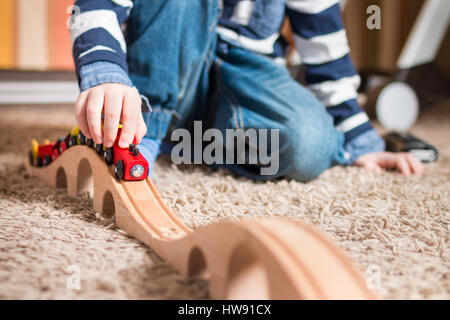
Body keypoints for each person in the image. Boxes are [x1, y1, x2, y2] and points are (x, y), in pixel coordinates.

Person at [70, 0, 424, 181]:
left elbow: (324, 47)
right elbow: (97, 5)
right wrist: (105, 74)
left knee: (310, 145)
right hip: (163, 72)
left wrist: (358, 136)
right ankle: (147, 129)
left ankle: (192, 143)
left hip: (246, 72)